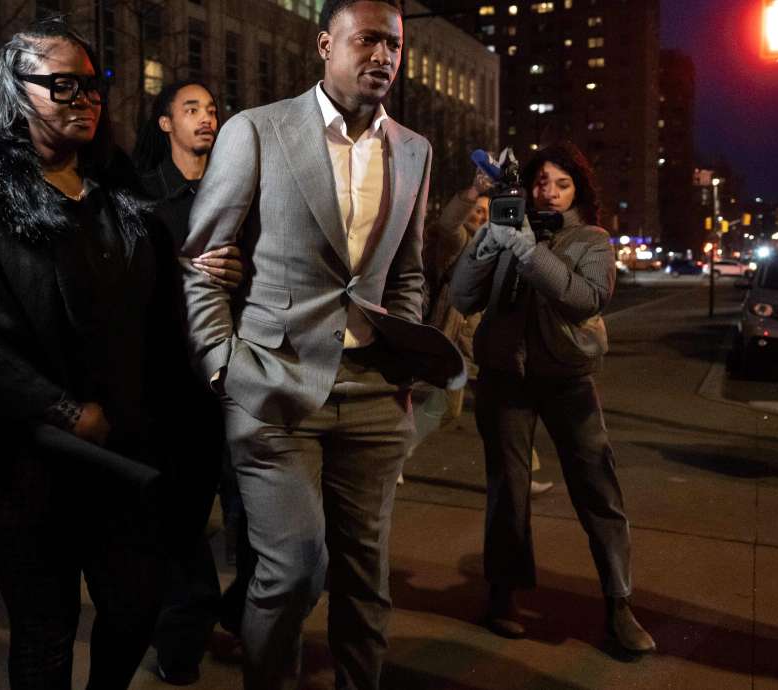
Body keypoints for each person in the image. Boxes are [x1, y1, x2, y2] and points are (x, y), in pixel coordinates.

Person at [179, 0, 464, 687]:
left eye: (394, 45)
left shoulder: (415, 152)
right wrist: (222, 367)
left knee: (367, 582)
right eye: (367, 40)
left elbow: (410, 271)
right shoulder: (258, 131)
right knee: (294, 570)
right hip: (273, 389)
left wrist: (400, 360)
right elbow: (201, 262)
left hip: (373, 397)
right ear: (324, 44)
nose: (385, 56)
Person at [0, 18, 199, 689]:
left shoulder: (115, 181)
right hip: (20, 457)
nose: (85, 100)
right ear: (15, 90)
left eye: (92, 85)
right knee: (46, 625)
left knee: (136, 601)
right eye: (61, 85)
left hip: (120, 450)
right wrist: (65, 410)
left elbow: (154, 299)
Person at [449, 141, 655, 654]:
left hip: (568, 378)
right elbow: (462, 296)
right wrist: (486, 244)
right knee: (507, 490)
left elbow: (584, 297)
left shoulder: (591, 240)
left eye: (562, 184)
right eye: (542, 182)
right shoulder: (507, 224)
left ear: (577, 190)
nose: (550, 192)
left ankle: (618, 603)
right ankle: (503, 594)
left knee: (596, 486)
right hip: (505, 377)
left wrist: (526, 249)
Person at [134, 80, 227, 686]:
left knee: (277, 533)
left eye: (212, 109)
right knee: (182, 524)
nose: (205, 118)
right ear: (165, 123)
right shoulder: (140, 196)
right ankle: (181, 640)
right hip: (172, 384)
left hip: (243, 377)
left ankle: (237, 615)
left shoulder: (239, 187)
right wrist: (178, 267)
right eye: (191, 109)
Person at [421, 175, 554, 495]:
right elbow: (449, 223)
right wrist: (474, 192)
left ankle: (520, 477)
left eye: (485, 212)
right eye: (476, 211)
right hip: (455, 342)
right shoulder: (454, 245)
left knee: (506, 409)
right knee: (446, 410)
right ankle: (394, 456)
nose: (479, 216)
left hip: (487, 344)